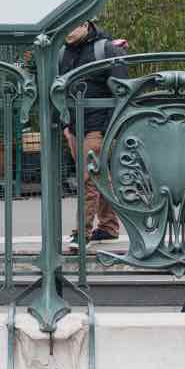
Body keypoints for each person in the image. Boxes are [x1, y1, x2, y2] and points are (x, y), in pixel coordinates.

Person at [57, 19, 128, 250]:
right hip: (76, 126)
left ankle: (82, 233)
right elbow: (59, 91)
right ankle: (108, 227)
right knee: (97, 176)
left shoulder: (107, 49)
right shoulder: (62, 54)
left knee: (88, 178)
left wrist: (112, 127)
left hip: (99, 125)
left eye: (72, 27)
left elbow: (122, 90)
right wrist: (66, 126)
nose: (67, 32)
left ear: (86, 25)